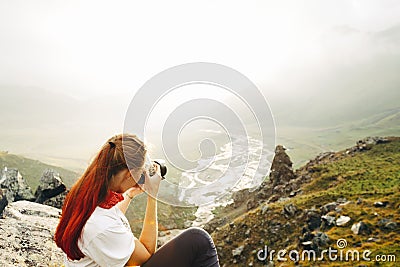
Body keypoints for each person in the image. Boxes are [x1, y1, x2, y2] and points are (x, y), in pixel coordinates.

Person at [55, 133, 220, 267]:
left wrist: (129, 195)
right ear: (129, 174)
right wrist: (152, 196)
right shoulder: (101, 227)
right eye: (139, 172)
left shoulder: (84, 195)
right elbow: (146, 254)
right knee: (198, 240)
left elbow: (110, 215)